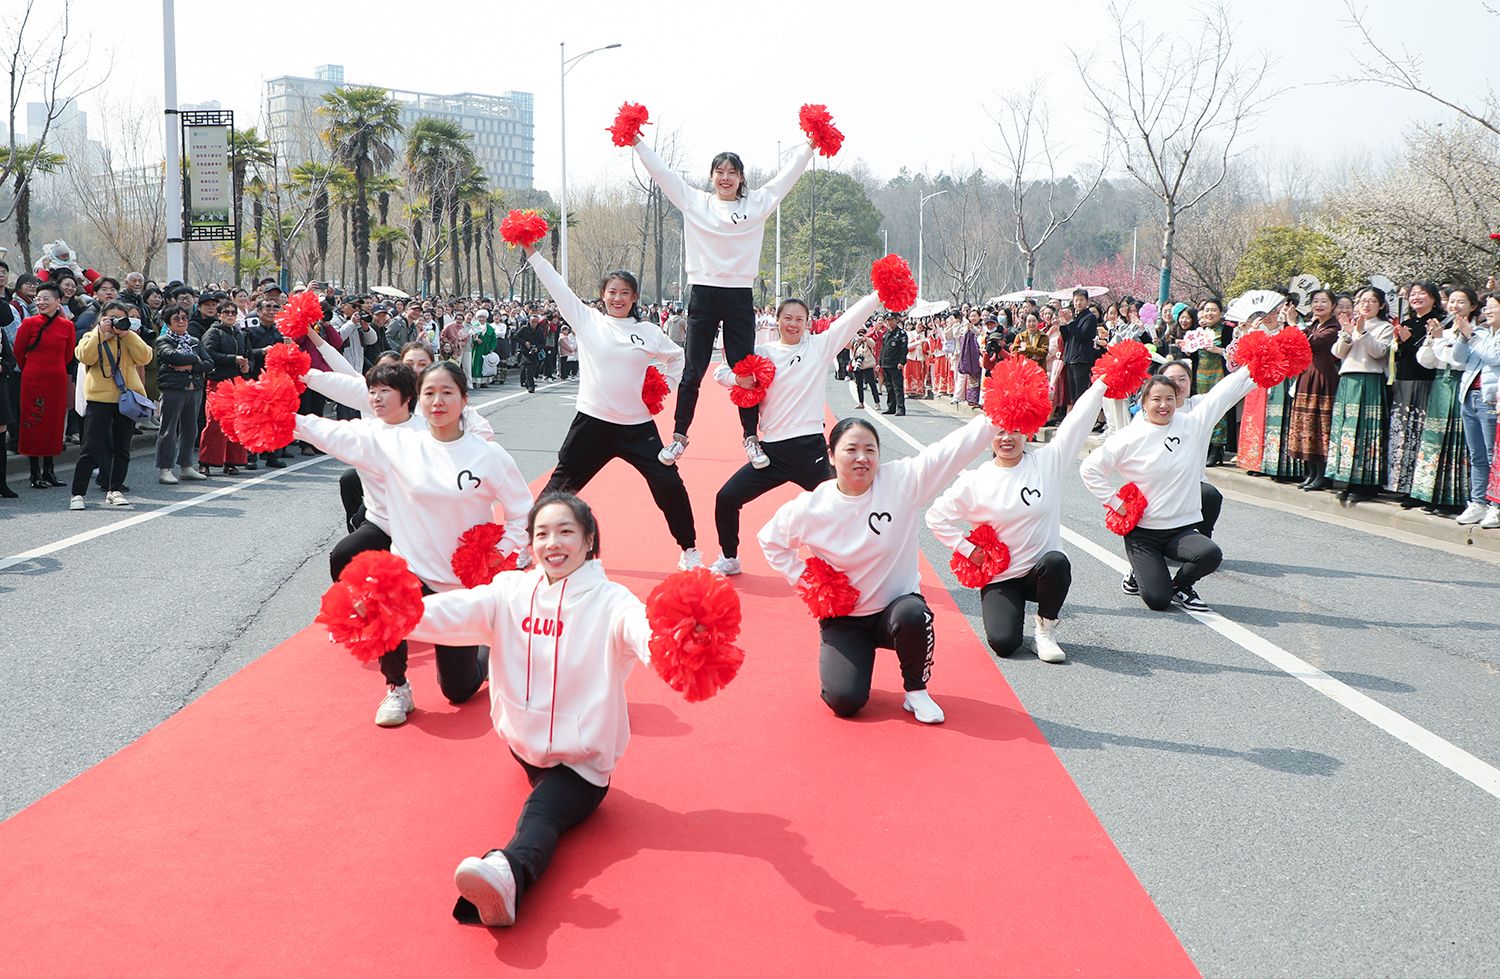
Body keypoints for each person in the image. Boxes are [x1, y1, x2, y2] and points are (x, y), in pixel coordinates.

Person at [409, 493, 675, 927]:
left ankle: (508, 874)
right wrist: (392, 612)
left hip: (581, 764)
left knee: (541, 813)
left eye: (566, 531)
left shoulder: (613, 601)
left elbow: (644, 631)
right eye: (542, 533)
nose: (553, 543)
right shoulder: (510, 591)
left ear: (589, 540)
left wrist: (677, 641)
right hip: (523, 748)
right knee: (541, 798)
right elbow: (457, 610)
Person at [295, 362, 533, 727]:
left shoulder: (488, 455)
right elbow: (333, 433)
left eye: (447, 392)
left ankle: (489, 650)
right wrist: (285, 417)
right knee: (378, 591)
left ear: (464, 399)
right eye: (429, 393)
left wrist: (497, 553)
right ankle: (397, 687)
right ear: (418, 400)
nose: (438, 401)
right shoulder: (397, 444)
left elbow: (522, 513)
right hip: (411, 572)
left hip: (459, 585)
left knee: (457, 690)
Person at [758, 414, 997, 724]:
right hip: (845, 618)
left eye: (870, 450)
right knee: (845, 702)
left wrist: (994, 417)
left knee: (913, 614)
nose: (862, 458)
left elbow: (950, 451)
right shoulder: (810, 507)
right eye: (851, 449)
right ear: (832, 455)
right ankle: (852, 664)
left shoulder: (900, 482)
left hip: (894, 610)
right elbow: (770, 540)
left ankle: (916, 690)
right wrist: (808, 580)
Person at [631, 132, 814, 470]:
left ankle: (751, 438)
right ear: (712, 176)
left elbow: (786, 178)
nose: (725, 178)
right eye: (720, 172)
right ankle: (679, 436)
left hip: (739, 295)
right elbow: (662, 174)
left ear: (741, 177)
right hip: (703, 292)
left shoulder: (756, 204)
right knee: (693, 371)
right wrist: (637, 142)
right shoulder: (695, 202)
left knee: (746, 369)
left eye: (732, 172)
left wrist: (810, 147)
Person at [523, 245, 703, 571]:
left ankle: (689, 549)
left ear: (634, 298)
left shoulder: (648, 332)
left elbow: (677, 358)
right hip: (592, 423)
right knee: (559, 488)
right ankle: (526, 544)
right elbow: (557, 287)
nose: (617, 298)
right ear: (602, 295)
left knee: (669, 485)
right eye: (612, 292)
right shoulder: (587, 320)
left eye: (624, 293)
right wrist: (533, 253)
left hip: (637, 428)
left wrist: (664, 385)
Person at [926, 373, 1107, 664]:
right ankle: (1011, 615)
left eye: (1014, 431)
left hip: (1039, 572)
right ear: (989, 436)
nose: (1007, 438)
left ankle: (1045, 629)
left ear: (1027, 432)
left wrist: (1100, 386)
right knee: (1004, 644)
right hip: (1002, 577)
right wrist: (968, 550)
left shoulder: (1047, 463)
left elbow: (1075, 425)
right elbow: (936, 517)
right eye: (999, 431)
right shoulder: (975, 481)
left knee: (1056, 562)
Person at [707, 293, 882, 576]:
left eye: (799, 319)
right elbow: (721, 372)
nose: (793, 324)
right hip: (770, 454)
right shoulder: (762, 353)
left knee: (846, 504)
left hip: (810, 451)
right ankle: (730, 557)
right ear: (776, 321)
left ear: (807, 323)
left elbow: (850, 320)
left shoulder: (819, 347)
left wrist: (878, 295)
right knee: (726, 498)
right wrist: (737, 379)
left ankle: (867, 560)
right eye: (787, 318)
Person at [1081, 364, 1255, 613]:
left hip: (1178, 530)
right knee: (1157, 600)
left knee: (1210, 554)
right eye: (1156, 399)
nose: (1164, 405)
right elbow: (1090, 468)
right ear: (1144, 402)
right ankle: (1139, 572)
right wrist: (1116, 504)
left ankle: (1181, 586)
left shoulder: (1192, 424)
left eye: (1169, 399)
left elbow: (1224, 393)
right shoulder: (1129, 437)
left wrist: (1254, 366)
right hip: (1143, 534)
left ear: (1177, 400)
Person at [70, 300, 154, 509]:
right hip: (99, 399)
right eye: (111, 318)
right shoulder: (92, 336)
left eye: (121, 318)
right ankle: (78, 494)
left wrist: (128, 334)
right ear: (102, 318)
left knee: (122, 448)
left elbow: (145, 357)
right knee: (91, 448)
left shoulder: (129, 337)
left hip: (126, 399)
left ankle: (115, 489)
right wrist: (100, 333)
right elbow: (83, 356)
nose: (116, 322)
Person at [1326, 286, 1395, 503]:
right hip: (1348, 380)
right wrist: (1347, 334)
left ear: (1381, 305)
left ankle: (1367, 483)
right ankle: (1347, 478)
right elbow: (1337, 353)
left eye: (1371, 301)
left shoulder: (1385, 327)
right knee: (1346, 430)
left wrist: (1363, 333)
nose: (1366, 304)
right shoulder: (1352, 324)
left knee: (1367, 432)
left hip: (1370, 380)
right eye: (1362, 300)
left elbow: (1379, 352)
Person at [1411, 288, 1475, 514]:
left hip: (1459, 385)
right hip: (1440, 386)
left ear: (1473, 306)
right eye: (1452, 301)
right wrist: (1431, 340)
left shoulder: (1475, 332)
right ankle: (1431, 494)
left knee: (1456, 442)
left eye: (1461, 302)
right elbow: (1425, 361)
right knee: (1435, 440)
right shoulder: (1445, 332)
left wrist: (1438, 341)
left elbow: (1458, 361)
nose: (1455, 306)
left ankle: (1455, 498)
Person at [15, 282, 76, 489]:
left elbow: (68, 355)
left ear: (58, 301)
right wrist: (32, 368)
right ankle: (34, 473)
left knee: (53, 424)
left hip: (56, 380)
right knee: (33, 422)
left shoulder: (67, 326)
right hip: (33, 380)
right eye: (38, 299)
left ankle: (49, 470)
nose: (41, 302)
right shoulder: (29, 323)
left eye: (46, 299)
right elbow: (18, 352)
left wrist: (53, 368)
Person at [1388, 282, 1444, 503]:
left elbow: (1428, 358)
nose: (1416, 297)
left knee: (1419, 435)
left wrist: (1408, 340)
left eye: (1423, 293)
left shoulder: (1439, 321)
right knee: (1402, 435)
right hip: (1402, 383)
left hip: (1424, 383)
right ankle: (1401, 484)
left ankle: (1419, 488)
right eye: (1413, 293)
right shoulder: (1406, 322)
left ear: (1433, 298)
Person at [1452, 292, 1500, 527]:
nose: (1487, 311)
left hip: (1490, 400)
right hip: (1469, 396)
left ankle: (1495, 505)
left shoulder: (1484, 336)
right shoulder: (1479, 333)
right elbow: (1458, 359)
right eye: (1486, 307)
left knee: (1493, 455)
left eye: (1493, 307)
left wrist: (1471, 337)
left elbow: (1494, 357)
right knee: (1477, 455)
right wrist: (1463, 337)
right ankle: (1478, 502)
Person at [1288, 289, 1343, 491]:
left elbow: (1309, 342)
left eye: (1324, 301)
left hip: (1323, 378)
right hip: (1307, 376)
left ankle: (1322, 475)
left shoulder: (1334, 327)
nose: (1319, 305)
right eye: (1316, 301)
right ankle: (1311, 472)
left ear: (1333, 306)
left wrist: (1293, 325)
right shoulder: (1313, 325)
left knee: (1320, 426)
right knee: (1306, 426)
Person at [153, 307, 211, 484]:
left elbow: (209, 363)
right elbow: (172, 357)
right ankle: (165, 468)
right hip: (173, 389)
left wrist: (190, 367)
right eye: (176, 319)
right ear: (168, 322)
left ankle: (186, 466)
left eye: (184, 318)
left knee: (190, 428)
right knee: (169, 429)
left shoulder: (194, 341)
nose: (181, 322)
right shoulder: (164, 340)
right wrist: (195, 359)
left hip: (194, 389)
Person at [198, 302, 251, 476]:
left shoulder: (241, 334)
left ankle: (232, 461)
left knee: (236, 423)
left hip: (236, 382)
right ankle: (206, 462)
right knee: (214, 422)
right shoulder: (213, 332)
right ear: (219, 315)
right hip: (218, 382)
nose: (230, 315)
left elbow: (248, 355)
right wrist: (232, 359)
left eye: (233, 312)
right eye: (226, 312)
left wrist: (246, 367)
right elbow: (208, 355)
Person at [879, 314, 909, 416]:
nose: (890, 322)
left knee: (897, 387)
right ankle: (891, 407)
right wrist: (880, 363)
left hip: (895, 364)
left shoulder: (901, 334)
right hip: (886, 364)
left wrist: (902, 362)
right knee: (889, 387)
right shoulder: (887, 333)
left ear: (896, 320)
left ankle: (900, 408)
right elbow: (883, 349)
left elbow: (904, 350)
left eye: (891, 320)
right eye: (888, 320)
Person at [848, 327, 880, 409]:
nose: (860, 335)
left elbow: (873, 344)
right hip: (857, 366)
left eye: (862, 333)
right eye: (859, 333)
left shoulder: (868, 340)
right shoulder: (855, 342)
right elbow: (847, 346)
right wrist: (851, 337)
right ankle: (861, 402)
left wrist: (865, 339)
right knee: (859, 385)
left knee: (872, 384)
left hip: (867, 365)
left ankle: (877, 403)